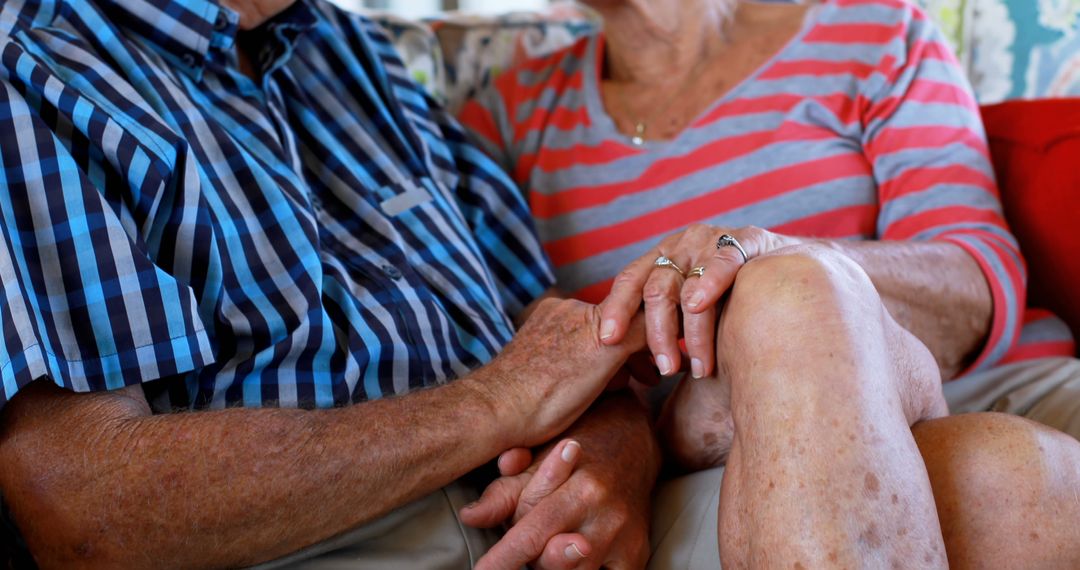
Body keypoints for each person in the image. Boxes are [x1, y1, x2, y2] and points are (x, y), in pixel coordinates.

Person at [458, 0, 1080, 567]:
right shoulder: (509, 115)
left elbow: (975, 278)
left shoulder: (875, 32)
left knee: (786, 296)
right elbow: (523, 341)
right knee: (1002, 481)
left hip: (982, 386)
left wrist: (786, 268)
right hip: (707, 449)